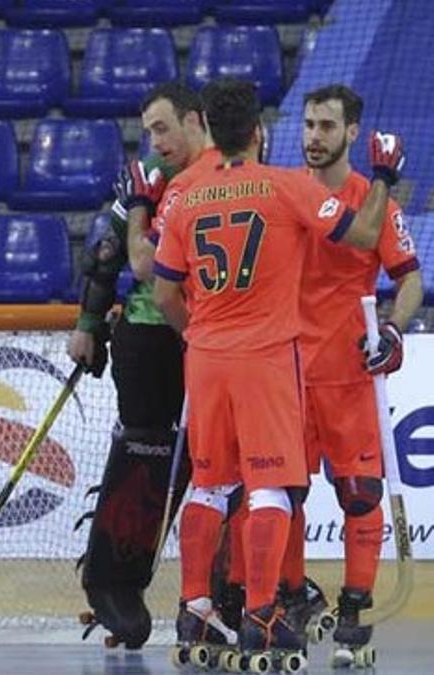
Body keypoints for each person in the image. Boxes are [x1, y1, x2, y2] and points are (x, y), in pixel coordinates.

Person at [152, 77, 404, 662]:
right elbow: (365, 232)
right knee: (268, 486)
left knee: (211, 484)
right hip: (266, 358)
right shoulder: (284, 186)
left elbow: (164, 290)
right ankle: (263, 615)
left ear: (210, 132)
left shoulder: (187, 198)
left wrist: (197, 333)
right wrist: (385, 175)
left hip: (206, 357)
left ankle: (195, 613)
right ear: (261, 132)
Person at [68, 81, 215, 648]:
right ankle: (113, 583)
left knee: (215, 469)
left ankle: (218, 594)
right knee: (144, 457)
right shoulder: (146, 174)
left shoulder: (227, 170)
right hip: (150, 332)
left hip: (217, 339)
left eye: (162, 128)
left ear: (194, 121)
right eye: (148, 131)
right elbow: (106, 249)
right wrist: (86, 326)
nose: (154, 142)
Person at [292, 83, 422, 654]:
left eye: (326, 126)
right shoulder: (284, 195)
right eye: (308, 125)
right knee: (277, 495)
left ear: (351, 133)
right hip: (288, 372)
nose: (314, 137)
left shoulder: (377, 203)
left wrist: (393, 330)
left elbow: (411, 278)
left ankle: (353, 608)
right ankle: (287, 597)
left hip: (350, 374)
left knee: (362, 495)